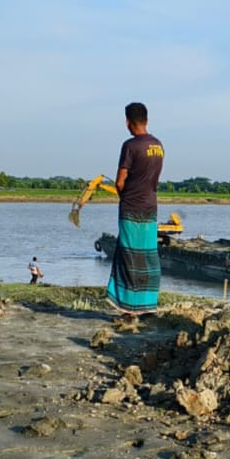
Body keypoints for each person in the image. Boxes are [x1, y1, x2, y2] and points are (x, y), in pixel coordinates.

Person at [105, 102, 164, 317]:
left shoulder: (130, 146)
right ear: (146, 120)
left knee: (128, 256)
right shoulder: (158, 146)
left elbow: (120, 182)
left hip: (131, 208)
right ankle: (148, 306)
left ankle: (129, 309)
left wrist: (124, 196)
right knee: (148, 257)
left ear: (127, 122)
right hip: (150, 207)